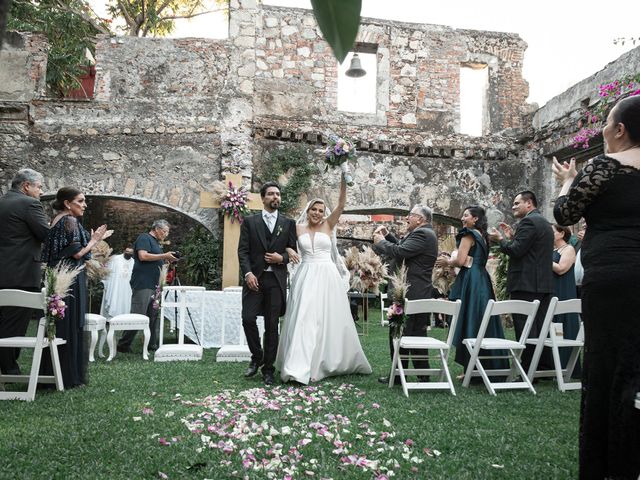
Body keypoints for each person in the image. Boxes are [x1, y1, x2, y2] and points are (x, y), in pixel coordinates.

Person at [552, 94, 640, 479]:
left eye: (606, 122)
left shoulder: (605, 166)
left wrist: (568, 181)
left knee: (606, 367)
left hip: (613, 279)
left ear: (620, 130)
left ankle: (607, 466)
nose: (603, 130)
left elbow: (564, 215)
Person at [276, 175, 372, 384]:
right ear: (308, 211)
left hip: (327, 276)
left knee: (325, 318)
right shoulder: (297, 228)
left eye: (320, 210)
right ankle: (298, 365)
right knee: (304, 317)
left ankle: (325, 361)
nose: (317, 213)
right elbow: (285, 243)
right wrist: (290, 250)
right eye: (314, 210)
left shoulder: (329, 225)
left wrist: (344, 177)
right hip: (306, 274)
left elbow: (342, 204)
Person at [40, 187, 108, 388]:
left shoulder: (57, 220)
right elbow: (78, 254)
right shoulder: (69, 221)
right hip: (69, 277)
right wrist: (95, 240)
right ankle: (68, 376)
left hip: (58, 276)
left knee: (60, 323)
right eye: (81, 200)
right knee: (69, 323)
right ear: (68, 203)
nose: (85, 205)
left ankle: (54, 373)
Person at [435, 206, 507, 375]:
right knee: (481, 318)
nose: (462, 218)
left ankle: (472, 366)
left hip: (471, 279)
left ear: (475, 219)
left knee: (470, 317)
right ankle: (481, 366)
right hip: (481, 277)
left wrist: (447, 262)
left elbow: (460, 260)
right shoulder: (482, 235)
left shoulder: (468, 234)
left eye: (466, 215)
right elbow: (472, 259)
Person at [238, 181, 297, 386]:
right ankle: (257, 355)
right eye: (271, 194)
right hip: (254, 279)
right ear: (262, 198)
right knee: (247, 318)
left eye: (278, 194)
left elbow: (292, 252)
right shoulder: (250, 222)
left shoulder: (288, 223)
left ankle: (268, 369)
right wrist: (247, 274)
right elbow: (243, 251)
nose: (275, 197)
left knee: (272, 326)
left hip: (276, 281)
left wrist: (282, 258)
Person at [488, 190, 554, 371]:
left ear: (529, 204)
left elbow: (516, 251)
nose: (513, 206)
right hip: (541, 284)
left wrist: (500, 240)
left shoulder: (528, 221)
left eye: (517, 203)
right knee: (540, 328)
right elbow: (530, 250)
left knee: (525, 328)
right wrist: (512, 238)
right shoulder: (544, 223)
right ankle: (544, 368)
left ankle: (527, 369)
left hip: (525, 284)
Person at [372, 205, 438, 384]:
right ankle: (418, 375)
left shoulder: (422, 234)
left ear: (420, 219)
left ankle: (400, 374)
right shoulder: (424, 233)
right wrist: (388, 236)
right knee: (415, 334)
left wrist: (380, 242)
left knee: (399, 332)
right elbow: (404, 247)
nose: (407, 218)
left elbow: (400, 252)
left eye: (410, 215)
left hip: (410, 291)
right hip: (417, 291)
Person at [0, 169, 49, 375]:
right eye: (38, 186)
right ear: (26, 186)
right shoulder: (29, 204)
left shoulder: (3, 202)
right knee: (13, 325)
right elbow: (46, 234)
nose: (40, 191)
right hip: (21, 273)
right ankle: (9, 369)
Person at [117, 221, 176, 353]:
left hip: (154, 284)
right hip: (143, 283)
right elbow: (142, 256)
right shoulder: (144, 237)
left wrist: (166, 260)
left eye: (167, 232)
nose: (165, 234)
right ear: (156, 228)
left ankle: (151, 344)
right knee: (138, 314)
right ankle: (123, 344)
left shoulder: (155, 242)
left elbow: (154, 259)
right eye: (164, 231)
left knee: (153, 315)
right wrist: (163, 255)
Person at [551, 224, 581, 375]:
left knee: (564, 323)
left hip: (563, 290)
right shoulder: (553, 251)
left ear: (562, 233)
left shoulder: (568, 249)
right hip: (552, 290)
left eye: (553, 232)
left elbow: (562, 268)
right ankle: (553, 364)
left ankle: (568, 365)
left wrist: (544, 259)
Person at [100, 246, 134, 319]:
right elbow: (108, 270)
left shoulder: (133, 262)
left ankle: (123, 319)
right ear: (124, 251)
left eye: (130, 253)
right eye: (127, 252)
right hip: (115, 285)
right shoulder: (116, 259)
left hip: (126, 287)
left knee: (124, 302)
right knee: (114, 300)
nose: (128, 254)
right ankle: (110, 319)